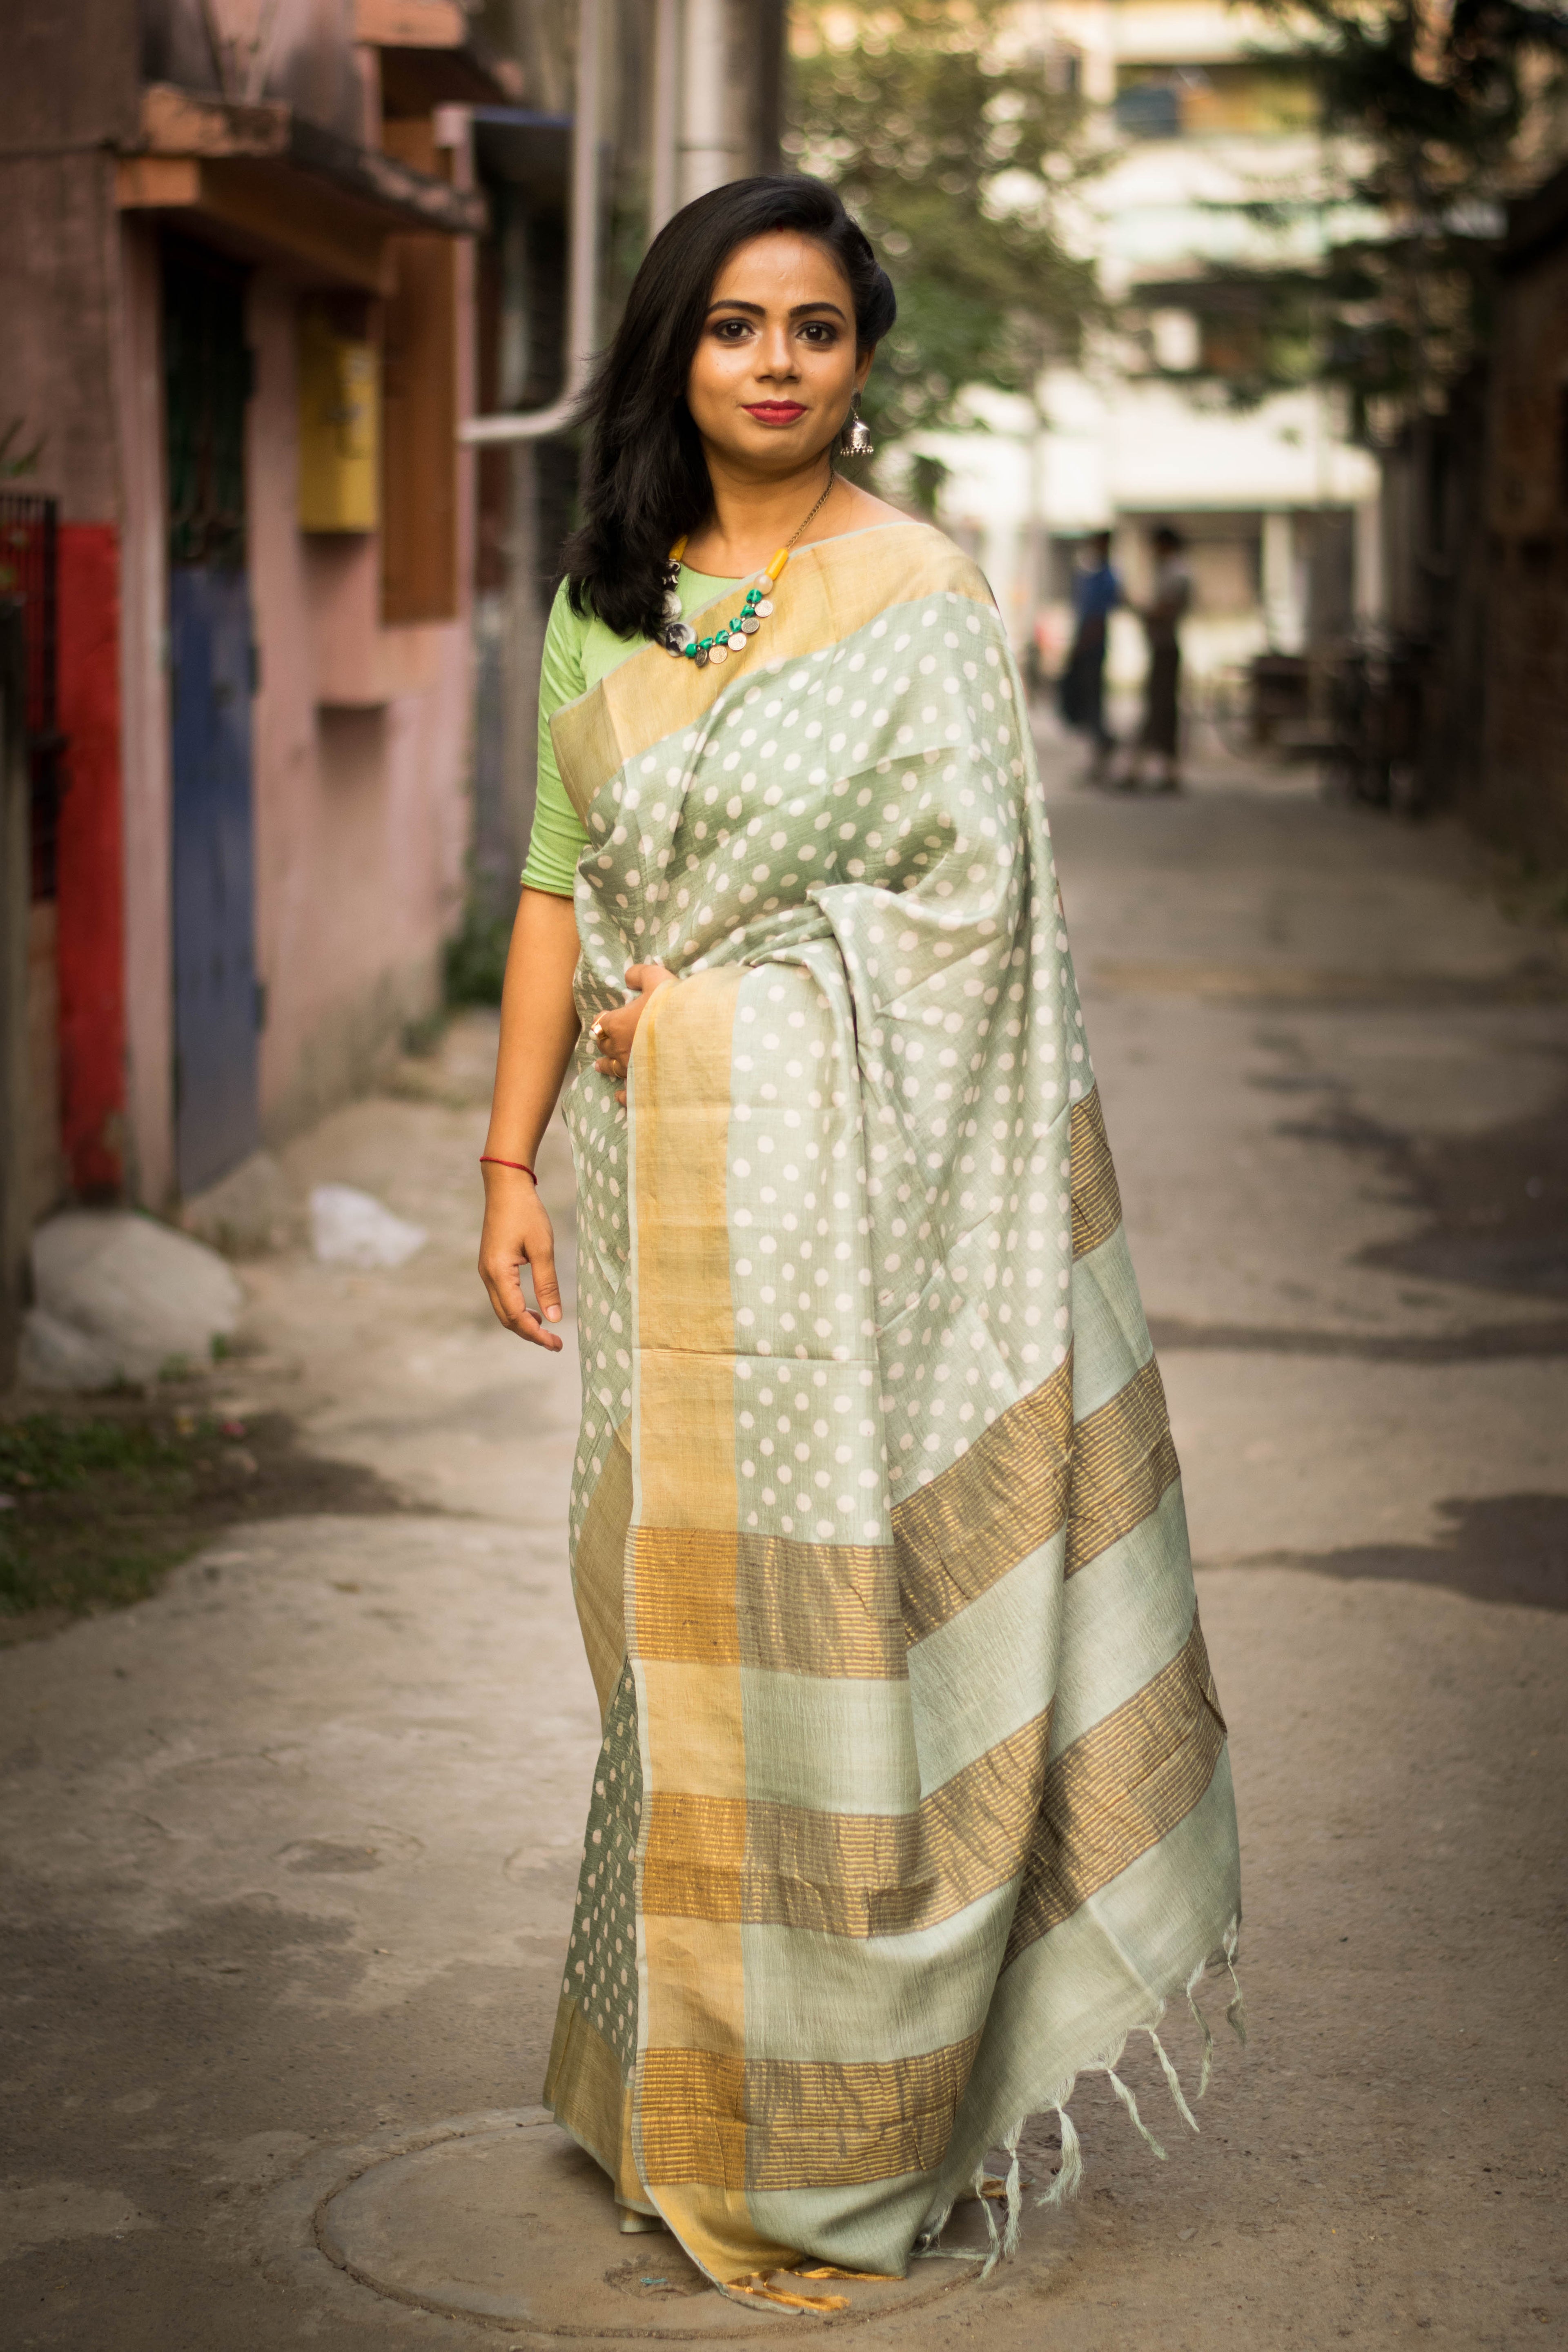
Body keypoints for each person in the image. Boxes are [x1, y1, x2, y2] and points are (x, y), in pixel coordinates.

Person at [477, 175, 1242, 2308]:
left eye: (815, 327)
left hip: (871, 1215)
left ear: (864, 357)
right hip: (658, 1200)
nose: (777, 362)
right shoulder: (606, 606)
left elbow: (971, 931)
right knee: (663, 1631)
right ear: (675, 352)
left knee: (860, 1624)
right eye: (736, 325)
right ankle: (676, 2092)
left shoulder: (920, 599)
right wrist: (507, 1161)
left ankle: (848, 2123)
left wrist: (717, 1027)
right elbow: (551, 885)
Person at [1121, 523, 1192, 792]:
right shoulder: (1171, 571)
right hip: (1162, 647)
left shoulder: (1177, 572)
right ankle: (1163, 771)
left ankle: (1141, 770)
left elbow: (1165, 610)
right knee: (1161, 711)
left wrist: (1138, 609)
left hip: (1165, 648)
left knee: (1159, 710)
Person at [1057, 529, 1120, 781]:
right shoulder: (1092, 576)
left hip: (1092, 648)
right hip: (1087, 645)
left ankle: (1103, 749)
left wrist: (1082, 646)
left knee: (1093, 704)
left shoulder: (1107, 578)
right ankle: (1099, 756)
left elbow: (1097, 619)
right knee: (1089, 704)